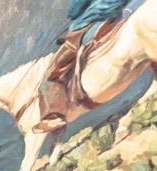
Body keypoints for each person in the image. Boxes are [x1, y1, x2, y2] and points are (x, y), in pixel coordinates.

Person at [35, 0, 132, 131]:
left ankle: (51, 117)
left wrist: (73, 14)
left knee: (53, 71)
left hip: (90, 22)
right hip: (115, 17)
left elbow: (75, 9)